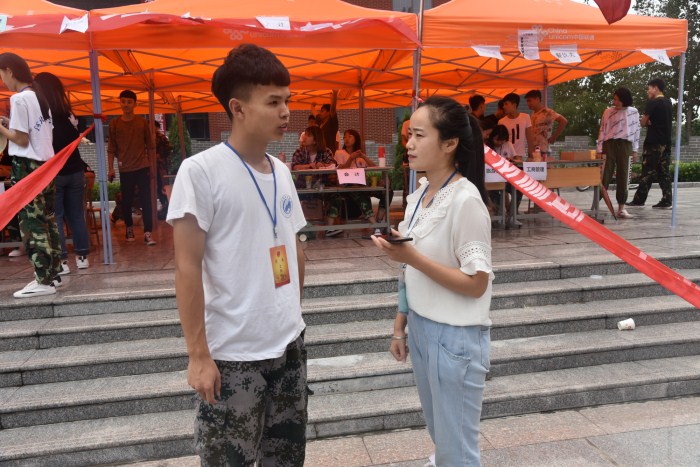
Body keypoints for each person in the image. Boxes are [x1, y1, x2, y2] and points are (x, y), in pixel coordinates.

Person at [167, 44, 308, 466]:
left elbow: (293, 243)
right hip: (234, 357)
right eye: (273, 101)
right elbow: (186, 267)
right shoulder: (201, 172)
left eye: (287, 100)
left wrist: (293, 313)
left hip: (288, 345)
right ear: (238, 107)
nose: (286, 112)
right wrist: (198, 356)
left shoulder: (281, 171)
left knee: (285, 458)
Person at [371, 96, 492, 466]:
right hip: (423, 327)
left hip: (455, 337)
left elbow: (476, 283)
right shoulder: (420, 194)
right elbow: (409, 267)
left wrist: (412, 257)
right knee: (442, 436)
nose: (408, 144)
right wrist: (400, 323)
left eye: (419, 135)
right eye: (409, 135)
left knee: (457, 448)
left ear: (450, 143)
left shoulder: (465, 201)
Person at [0, 52, 63, 298]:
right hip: (47, 166)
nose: (2, 80)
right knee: (48, 221)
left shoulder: (19, 99)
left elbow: (21, 139)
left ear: (9, 71)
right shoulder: (39, 96)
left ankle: (43, 279)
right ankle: (53, 274)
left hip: (27, 167)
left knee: (31, 222)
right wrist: (8, 124)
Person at [33, 72, 90, 273]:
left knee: (56, 216)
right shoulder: (69, 114)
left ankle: (63, 261)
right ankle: (82, 257)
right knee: (76, 215)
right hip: (75, 171)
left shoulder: (43, 117)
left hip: (54, 172)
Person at [108, 89, 157, 245]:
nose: (126, 105)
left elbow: (150, 146)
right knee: (126, 201)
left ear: (135, 104)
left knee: (146, 200)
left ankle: (148, 232)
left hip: (142, 167)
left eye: (129, 102)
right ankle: (129, 228)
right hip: (125, 168)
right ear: (120, 103)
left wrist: (152, 166)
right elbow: (111, 148)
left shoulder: (142, 122)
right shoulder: (114, 123)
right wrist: (111, 168)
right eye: (123, 101)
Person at [628, 78, 674, 209]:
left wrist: (647, 122)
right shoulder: (668, 103)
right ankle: (667, 200)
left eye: (649, 88)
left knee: (647, 172)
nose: (648, 91)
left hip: (653, 143)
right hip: (666, 143)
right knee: (663, 172)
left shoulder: (653, 103)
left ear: (656, 88)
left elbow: (642, 122)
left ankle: (639, 200)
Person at [597, 87, 640, 219]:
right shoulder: (608, 111)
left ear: (623, 100)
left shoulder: (633, 112)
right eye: (614, 99)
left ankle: (621, 208)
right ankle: (595, 206)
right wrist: (599, 149)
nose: (614, 101)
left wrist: (635, 150)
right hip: (609, 144)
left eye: (616, 99)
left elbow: (636, 130)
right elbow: (602, 130)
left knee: (624, 175)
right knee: (604, 175)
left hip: (626, 145)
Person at [291, 125, 341, 237]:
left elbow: (333, 165)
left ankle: (329, 227)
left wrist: (322, 165)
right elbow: (295, 166)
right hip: (303, 187)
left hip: (322, 187)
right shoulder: (300, 152)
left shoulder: (326, 151)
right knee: (290, 197)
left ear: (315, 140)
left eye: (308, 135)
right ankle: (297, 228)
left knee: (337, 196)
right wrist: (311, 166)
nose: (304, 137)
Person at [334, 129, 379, 229]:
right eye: (344, 137)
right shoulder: (339, 153)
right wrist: (350, 158)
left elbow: (375, 168)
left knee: (388, 192)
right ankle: (375, 225)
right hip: (346, 186)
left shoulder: (360, 156)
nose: (346, 139)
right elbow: (340, 171)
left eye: (349, 136)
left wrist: (364, 157)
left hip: (362, 185)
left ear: (356, 138)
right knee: (358, 192)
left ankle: (380, 220)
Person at [525, 89, 568, 158]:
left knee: (543, 168)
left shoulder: (547, 112)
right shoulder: (533, 114)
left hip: (543, 149)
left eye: (529, 100)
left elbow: (563, 121)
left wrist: (554, 137)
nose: (528, 103)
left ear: (537, 99)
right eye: (527, 101)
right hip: (533, 149)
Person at [498, 92, 533, 158]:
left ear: (514, 105)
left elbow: (530, 139)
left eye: (506, 104)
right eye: (503, 104)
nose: (503, 107)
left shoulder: (525, 117)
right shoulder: (501, 121)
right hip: (506, 156)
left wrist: (531, 156)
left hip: (520, 155)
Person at [153, 121, 172, 220]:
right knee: (155, 188)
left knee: (162, 187)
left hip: (160, 168)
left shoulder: (162, 138)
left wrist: (159, 157)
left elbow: (168, 152)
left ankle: (166, 208)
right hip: (151, 168)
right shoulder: (147, 138)